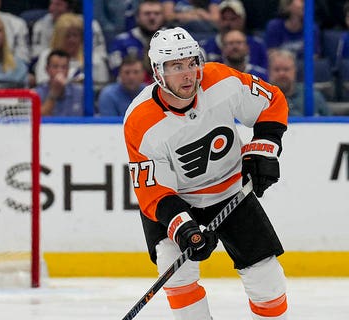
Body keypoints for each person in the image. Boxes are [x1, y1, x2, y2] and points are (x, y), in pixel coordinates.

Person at [123, 27, 289, 319]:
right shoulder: (140, 121)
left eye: (191, 62)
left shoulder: (221, 80)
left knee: (267, 278)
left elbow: (271, 101)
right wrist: (184, 228)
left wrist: (263, 148)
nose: (188, 74)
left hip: (231, 191)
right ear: (158, 72)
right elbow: (152, 192)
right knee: (176, 272)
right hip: (177, 201)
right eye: (176, 66)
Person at [33, 13, 109, 87]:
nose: (72, 40)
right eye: (67, 36)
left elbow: (101, 87)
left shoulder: (94, 59)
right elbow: (42, 84)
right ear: (59, 37)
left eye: (75, 35)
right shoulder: (46, 56)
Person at [200, 0, 268, 71]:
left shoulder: (257, 45)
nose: (228, 23)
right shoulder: (205, 46)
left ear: (242, 20)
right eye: (224, 18)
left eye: (233, 19)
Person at [108, 0, 165, 81]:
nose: (152, 17)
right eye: (147, 13)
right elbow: (117, 72)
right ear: (137, 17)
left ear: (163, 16)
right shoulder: (121, 42)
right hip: (133, 91)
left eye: (156, 13)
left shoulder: (173, 40)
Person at [32, 0, 106, 62]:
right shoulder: (41, 25)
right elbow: (37, 56)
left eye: (58, 5)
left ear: (70, 8)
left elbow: (101, 55)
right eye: (51, 4)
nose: (51, 8)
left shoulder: (90, 24)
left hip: (82, 65)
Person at [268, 49, 330, 116]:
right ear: (269, 72)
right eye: (277, 70)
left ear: (294, 70)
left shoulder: (313, 97)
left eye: (286, 69)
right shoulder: (260, 98)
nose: (281, 73)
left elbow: (330, 123)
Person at [35, 49, 84, 116]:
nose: (60, 71)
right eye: (55, 67)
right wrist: (53, 94)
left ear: (68, 70)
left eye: (64, 67)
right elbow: (38, 119)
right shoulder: (37, 93)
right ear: (47, 69)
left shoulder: (80, 92)